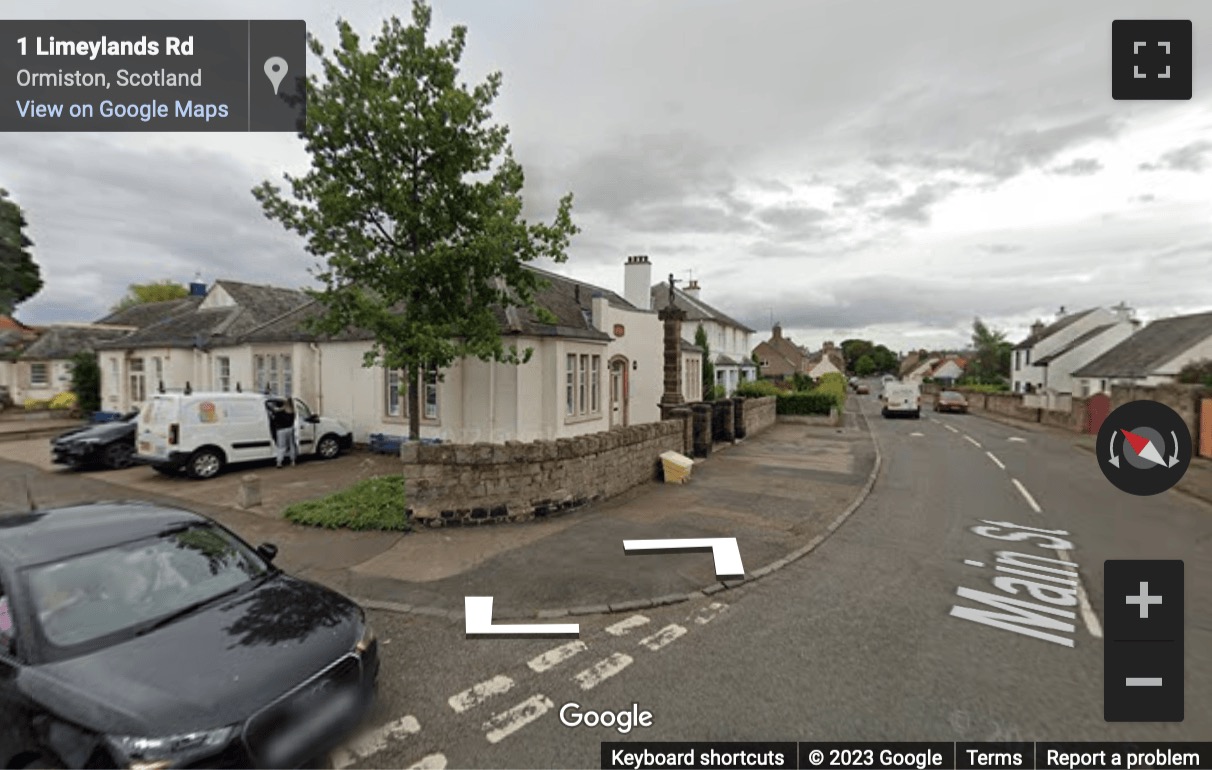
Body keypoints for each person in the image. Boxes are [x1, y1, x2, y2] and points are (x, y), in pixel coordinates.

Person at [271, 398, 298, 468]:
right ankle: (293, 461)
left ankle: (279, 462)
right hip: (290, 429)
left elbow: (274, 416)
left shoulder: (280, 411)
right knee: (292, 445)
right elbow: (293, 421)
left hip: (281, 430)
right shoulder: (292, 411)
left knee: (281, 446)